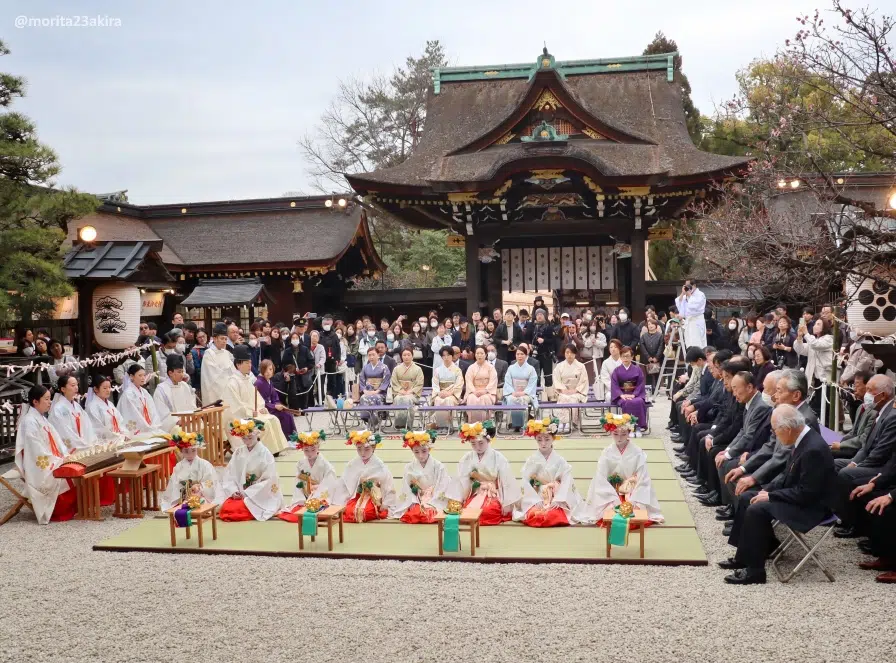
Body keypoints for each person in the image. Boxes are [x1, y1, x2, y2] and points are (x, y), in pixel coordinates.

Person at [721, 405, 836, 584]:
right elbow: (786, 475)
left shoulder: (813, 449)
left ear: (787, 429)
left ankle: (755, 572)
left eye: (775, 430)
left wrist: (771, 496)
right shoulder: (801, 439)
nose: (774, 434)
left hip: (812, 507)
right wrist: (767, 490)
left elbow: (807, 493)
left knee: (757, 509)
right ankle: (743, 557)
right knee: (747, 498)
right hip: (799, 496)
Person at [573, 412, 663, 524]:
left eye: (623, 434)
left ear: (629, 432)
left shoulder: (637, 452)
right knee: (610, 513)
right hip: (612, 491)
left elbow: (643, 477)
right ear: (611, 432)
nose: (619, 438)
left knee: (635, 512)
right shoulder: (607, 452)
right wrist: (612, 496)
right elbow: (600, 477)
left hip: (632, 490)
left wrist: (633, 496)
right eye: (615, 434)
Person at [14, 385, 78, 523]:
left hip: (51, 458)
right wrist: (57, 460)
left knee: (70, 467)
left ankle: (72, 508)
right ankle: (58, 511)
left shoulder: (42, 418)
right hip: (38, 464)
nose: (50, 402)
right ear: (35, 401)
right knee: (61, 475)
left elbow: (57, 440)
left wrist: (64, 454)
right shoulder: (29, 421)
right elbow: (35, 450)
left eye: (50, 399)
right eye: (47, 399)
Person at [447, 421, 519, 525]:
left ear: (488, 440)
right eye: (473, 443)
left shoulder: (498, 457)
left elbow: (507, 481)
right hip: (476, 492)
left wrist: (507, 502)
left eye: (481, 443)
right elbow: (460, 480)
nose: (477, 447)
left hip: (494, 493)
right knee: (469, 511)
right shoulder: (467, 458)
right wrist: (458, 500)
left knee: (488, 511)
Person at [514, 417, 580, 527]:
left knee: (552, 515)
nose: (543, 443)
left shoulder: (560, 460)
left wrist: (558, 499)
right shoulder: (532, 460)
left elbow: (566, 482)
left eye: (547, 439)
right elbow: (525, 482)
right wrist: (534, 500)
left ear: (553, 438)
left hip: (555, 495)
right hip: (537, 495)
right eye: (539, 440)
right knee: (536, 515)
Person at [223, 345, 289, 454]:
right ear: (238, 365)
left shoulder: (247, 379)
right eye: (247, 363)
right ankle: (264, 452)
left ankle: (274, 450)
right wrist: (250, 412)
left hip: (254, 412)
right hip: (241, 417)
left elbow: (257, 399)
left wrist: (261, 408)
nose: (250, 365)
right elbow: (235, 406)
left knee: (273, 419)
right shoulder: (232, 382)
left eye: (250, 362)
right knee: (265, 423)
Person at [219, 419, 283, 521]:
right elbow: (230, 474)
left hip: (259, 494)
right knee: (226, 509)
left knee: (235, 510)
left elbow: (269, 479)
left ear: (257, 434)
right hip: (240, 492)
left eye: (250, 437)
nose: (247, 441)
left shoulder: (265, 453)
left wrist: (247, 493)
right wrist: (233, 491)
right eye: (244, 438)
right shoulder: (239, 452)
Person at [277, 430, 341, 523]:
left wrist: (316, 491)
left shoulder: (326, 465)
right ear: (302, 448)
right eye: (306, 450)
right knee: (297, 513)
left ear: (318, 447)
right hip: (305, 496)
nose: (310, 453)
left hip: (320, 496)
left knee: (317, 512)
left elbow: (330, 484)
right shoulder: (300, 464)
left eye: (313, 449)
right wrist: (302, 499)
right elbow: (298, 484)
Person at [390, 429, 450, 523]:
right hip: (417, 498)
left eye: (424, 451)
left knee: (429, 512)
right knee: (415, 513)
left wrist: (430, 499)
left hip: (434, 498)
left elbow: (442, 487)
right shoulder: (409, 467)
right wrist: (415, 499)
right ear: (412, 451)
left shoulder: (439, 466)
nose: (420, 456)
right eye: (416, 452)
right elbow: (406, 489)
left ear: (429, 449)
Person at [338, 430, 398, 523]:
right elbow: (344, 484)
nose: (363, 453)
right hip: (357, 495)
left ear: (373, 448)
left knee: (366, 512)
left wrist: (386, 503)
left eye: (366, 449)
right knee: (350, 511)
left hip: (374, 497)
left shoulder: (380, 466)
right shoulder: (352, 464)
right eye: (359, 449)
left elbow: (388, 486)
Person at [159, 429, 224, 512]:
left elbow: (209, 482)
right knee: (178, 506)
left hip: (201, 494)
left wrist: (199, 488)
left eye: (193, 450)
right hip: (184, 495)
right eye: (186, 451)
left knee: (200, 504)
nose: (190, 454)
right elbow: (174, 484)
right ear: (181, 451)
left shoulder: (205, 464)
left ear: (197, 449)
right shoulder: (179, 466)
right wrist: (185, 490)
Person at [794, 317, 835, 417]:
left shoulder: (829, 338)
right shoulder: (813, 340)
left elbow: (816, 345)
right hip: (815, 379)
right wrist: (799, 337)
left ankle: (829, 424)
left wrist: (806, 333)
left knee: (826, 407)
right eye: (815, 324)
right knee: (817, 406)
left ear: (825, 327)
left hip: (826, 378)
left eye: (818, 324)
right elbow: (800, 349)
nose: (815, 326)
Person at [49, 375, 97, 451]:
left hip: (84, 445)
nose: (76, 387)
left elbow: (87, 426)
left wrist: (89, 442)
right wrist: (81, 445)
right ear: (63, 389)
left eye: (77, 385)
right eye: (73, 385)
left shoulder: (77, 406)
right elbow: (64, 432)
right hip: (72, 449)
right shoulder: (57, 409)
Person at [152, 354, 197, 432]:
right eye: (179, 372)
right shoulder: (162, 389)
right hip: (173, 425)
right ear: (170, 373)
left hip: (188, 421)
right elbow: (161, 412)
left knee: (202, 426)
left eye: (182, 371)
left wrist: (193, 416)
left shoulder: (184, 385)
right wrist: (177, 421)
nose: (182, 374)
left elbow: (191, 405)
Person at [610, 346, 648, 432]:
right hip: (622, 394)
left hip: (635, 394)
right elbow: (614, 384)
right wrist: (621, 395)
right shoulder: (616, 370)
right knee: (626, 402)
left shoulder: (637, 369)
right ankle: (628, 426)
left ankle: (640, 426)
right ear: (620, 357)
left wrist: (634, 394)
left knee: (639, 401)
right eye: (623, 356)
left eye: (627, 356)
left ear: (632, 357)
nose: (625, 358)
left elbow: (641, 383)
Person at [119, 364, 165, 435]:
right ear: (131, 376)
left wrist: (154, 425)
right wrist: (147, 427)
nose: (143, 378)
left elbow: (152, 410)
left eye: (144, 375)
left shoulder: (144, 392)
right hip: (138, 429)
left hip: (149, 426)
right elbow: (133, 414)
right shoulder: (128, 394)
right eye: (140, 375)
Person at [552, 344, 589, 434]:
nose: (569, 355)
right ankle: (562, 422)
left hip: (577, 392)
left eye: (572, 353)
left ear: (575, 353)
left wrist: (575, 390)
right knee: (563, 398)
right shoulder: (559, 366)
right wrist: (563, 390)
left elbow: (584, 381)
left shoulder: (581, 366)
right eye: (567, 352)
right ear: (564, 353)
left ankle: (570, 422)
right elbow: (556, 380)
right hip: (563, 391)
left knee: (573, 398)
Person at [256, 359, 296, 437]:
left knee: (287, 413)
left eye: (270, 369)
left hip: (271, 406)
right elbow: (260, 402)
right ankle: (287, 437)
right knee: (285, 415)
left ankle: (290, 437)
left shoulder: (269, 381)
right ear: (262, 370)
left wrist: (278, 405)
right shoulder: (259, 383)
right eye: (265, 370)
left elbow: (275, 397)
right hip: (265, 409)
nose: (268, 372)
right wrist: (274, 406)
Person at [201, 323, 239, 406]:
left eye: (225, 339)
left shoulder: (226, 353)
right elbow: (212, 377)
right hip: (214, 392)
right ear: (214, 338)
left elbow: (233, 371)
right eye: (222, 338)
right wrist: (228, 374)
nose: (224, 341)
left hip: (228, 389)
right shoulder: (209, 354)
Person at [503, 346, 538, 431]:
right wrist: (513, 392)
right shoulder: (511, 368)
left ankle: (523, 423)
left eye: (522, 354)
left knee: (522, 400)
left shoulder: (531, 369)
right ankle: (512, 423)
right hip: (513, 392)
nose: (520, 356)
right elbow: (507, 383)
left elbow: (532, 384)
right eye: (518, 354)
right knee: (511, 399)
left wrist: (523, 392)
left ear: (526, 355)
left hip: (526, 394)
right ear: (515, 355)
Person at [390, 347, 424, 428]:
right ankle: (399, 424)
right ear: (401, 356)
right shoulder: (396, 369)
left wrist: (410, 391)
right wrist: (400, 390)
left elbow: (419, 383)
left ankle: (408, 424)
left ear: (412, 356)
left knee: (407, 399)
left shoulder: (418, 369)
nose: (406, 357)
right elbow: (394, 382)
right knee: (398, 399)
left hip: (413, 394)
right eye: (404, 355)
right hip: (400, 393)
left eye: (408, 355)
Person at [430, 346, 463, 429]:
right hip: (440, 393)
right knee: (438, 400)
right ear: (441, 357)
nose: (446, 357)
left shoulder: (457, 370)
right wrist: (438, 393)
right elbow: (435, 384)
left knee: (448, 400)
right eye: (444, 355)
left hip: (452, 394)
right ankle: (440, 425)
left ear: (452, 356)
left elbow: (459, 384)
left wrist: (449, 393)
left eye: (448, 355)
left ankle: (448, 425)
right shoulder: (437, 370)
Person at [85, 376, 126, 442]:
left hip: (118, 438)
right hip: (105, 441)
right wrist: (116, 437)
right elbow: (97, 428)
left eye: (109, 387)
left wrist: (123, 433)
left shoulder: (110, 404)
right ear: (96, 389)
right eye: (105, 388)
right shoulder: (92, 407)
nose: (108, 390)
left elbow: (120, 420)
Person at [464, 346, 498, 423]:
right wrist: (474, 391)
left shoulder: (491, 367)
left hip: (487, 392)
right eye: (477, 353)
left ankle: (485, 424)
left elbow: (493, 381)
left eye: (481, 353)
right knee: (471, 398)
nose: (479, 355)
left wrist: (485, 391)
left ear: (485, 355)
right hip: (474, 391)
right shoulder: (471, 367)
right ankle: (472, 424)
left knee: (484, 398)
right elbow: (468, 381)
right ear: (475, 355)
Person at [358, 347, 391, 423]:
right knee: (363, 397)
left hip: (380, 393)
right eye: (369, 355)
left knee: (374, 398)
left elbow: (386, 381)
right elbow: (362, 380)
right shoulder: (365, 367)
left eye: (373, 355)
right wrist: (365, 391)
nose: (371, 357)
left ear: (378, 355)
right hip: (368, 391)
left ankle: (375, 420)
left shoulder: (384, 367)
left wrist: (377, 391)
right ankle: (366, 420)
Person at [283, 332, 315, 409]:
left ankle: (304, 410)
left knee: (304, 394)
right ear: (290, 340)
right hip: (293, 376)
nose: (295, 339)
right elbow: (283, 364)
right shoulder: (287, 351)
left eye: (296, 338)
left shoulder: (305, 349)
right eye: (293, 338)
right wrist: (290, 369)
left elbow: (311, 362)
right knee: (293, 395)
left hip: (304, 376)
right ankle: (294, 410)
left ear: (299, 339)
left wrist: (306, 368)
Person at [675, 279, 707, 349]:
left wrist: (689, 295)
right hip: (688, 321)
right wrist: (683, 293)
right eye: (686, 286)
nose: (687, 287)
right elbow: (679, 303)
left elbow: (695, 306)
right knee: (689, 341)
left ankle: (698, 354)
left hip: (697, 321)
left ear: (694, 285)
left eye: (688, 285)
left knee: (697, 341)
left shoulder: (700, 294)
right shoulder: (686, 295)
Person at [530, 308, 554, 387]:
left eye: (541, 314)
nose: (539, 316)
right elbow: (528, 338)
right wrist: (530, 345)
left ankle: (549, 392)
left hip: (546, 355)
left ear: (544, 316)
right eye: (537, 315)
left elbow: (553, 341)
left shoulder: (549, 327)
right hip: (535, 355)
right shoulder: (533, 327)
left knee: (548, 376)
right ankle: (537, 392)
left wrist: (544, 340)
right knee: (536, 376)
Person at [640, 319, 665, 391]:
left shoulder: (660, 336)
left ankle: (657, 390)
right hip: (647, 359)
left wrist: (656, 357)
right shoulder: (644, 336)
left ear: (656, 326)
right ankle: (649, 390)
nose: (650, 325)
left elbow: (661, 347)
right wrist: (648, 357)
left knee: (657, 374)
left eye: (652, 324)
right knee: (648, 375)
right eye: (649, 324)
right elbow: (642, 347)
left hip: (657, 358)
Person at [581, 320, 607, 386]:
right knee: (588, 374)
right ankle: (589, 388)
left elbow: (604, 344)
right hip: (588, 358)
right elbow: (585, 344)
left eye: (594, 325)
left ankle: (598, 387)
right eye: (591, 325)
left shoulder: (601, 335)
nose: (593, 327)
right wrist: (591, 341)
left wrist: (596, 342)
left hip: (598, 357)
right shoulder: (585, 335)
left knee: (597, 374)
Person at [190, 329, 208, 396]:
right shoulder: (194, 351)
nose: (202, 339)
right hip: (199, 384)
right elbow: (197, 369)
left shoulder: (210, 347)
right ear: (196, 338)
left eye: (203, 336)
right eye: (199, 337)